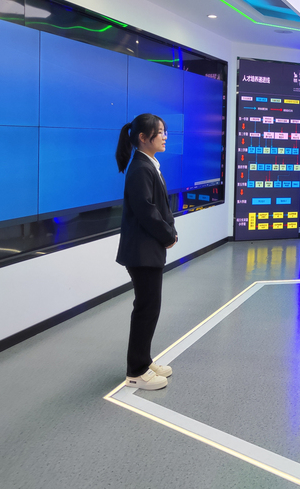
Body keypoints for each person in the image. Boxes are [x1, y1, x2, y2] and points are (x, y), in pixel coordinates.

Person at [115, 113, 178, 391]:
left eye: (164, 131)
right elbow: (147, 211)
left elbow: (158, 208)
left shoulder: (148, 164)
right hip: (142, 252)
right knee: (146, 309)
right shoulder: (141, 168)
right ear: (143, 137)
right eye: (159, 132)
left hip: (147, 250)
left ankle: (144, 360)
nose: (164, 136)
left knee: (149, 308)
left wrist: (169, 231)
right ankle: (137, 372)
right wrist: (168, 235)